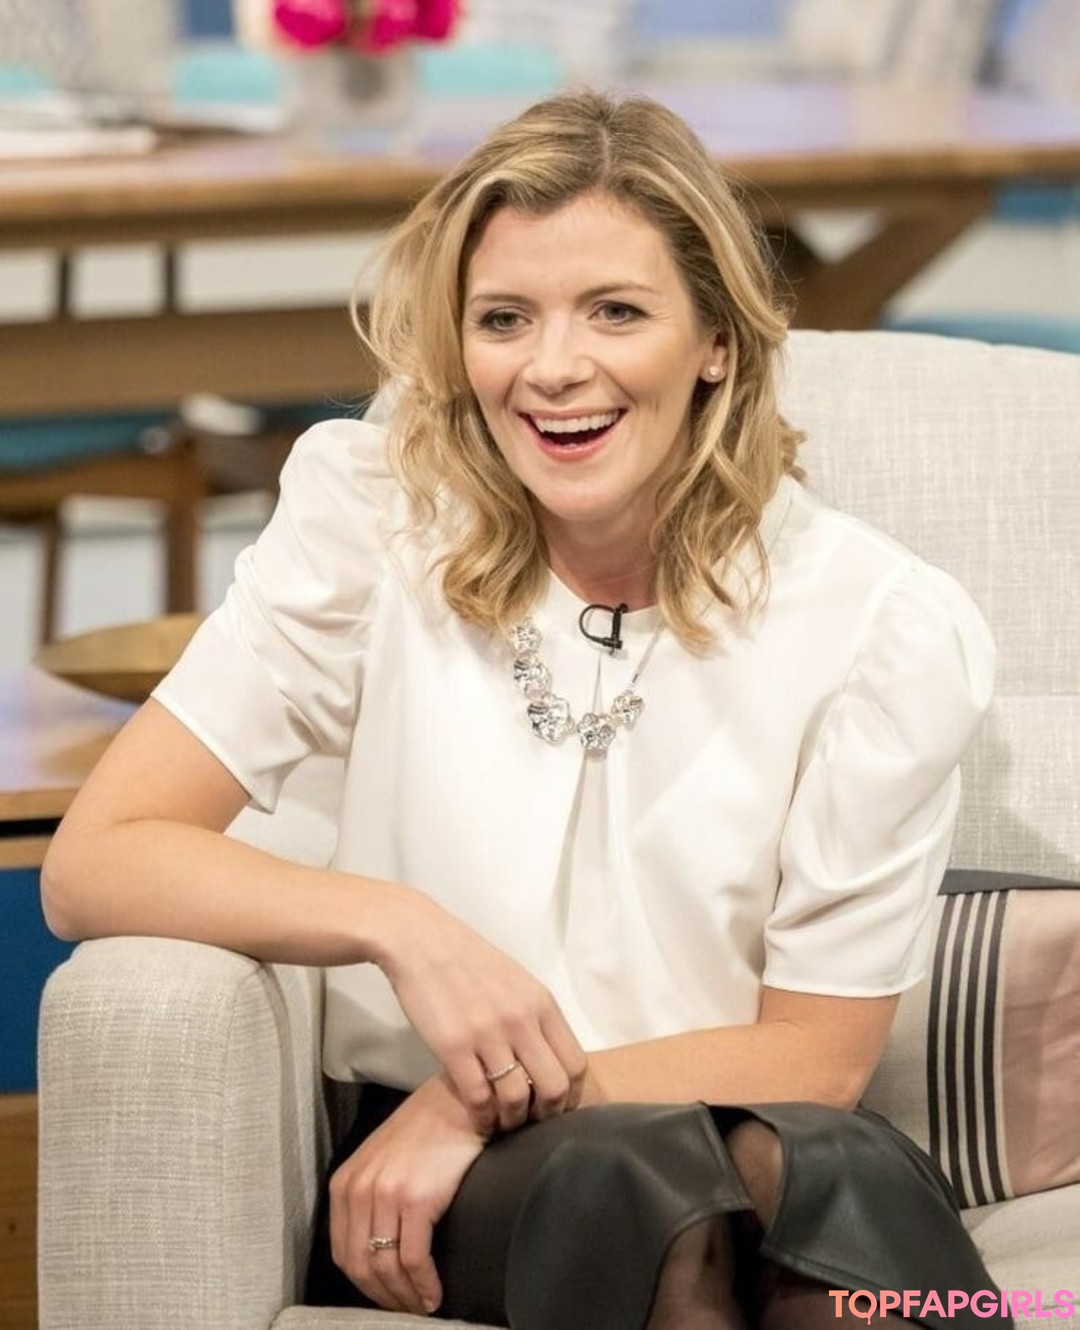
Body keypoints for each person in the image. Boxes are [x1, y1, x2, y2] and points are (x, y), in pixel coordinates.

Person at [42, 90, 1007, 1330]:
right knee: (663, 1194)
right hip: (476, 1197)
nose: (553, 368)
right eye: (504, 319)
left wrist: (477, 1096)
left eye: (616, 311)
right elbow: (96, 860)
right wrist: (406, 929)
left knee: (803, 1167)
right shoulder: (373, 528)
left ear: (716, 340)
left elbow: (818, 1058)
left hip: (735, 1130)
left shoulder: (875, 621)